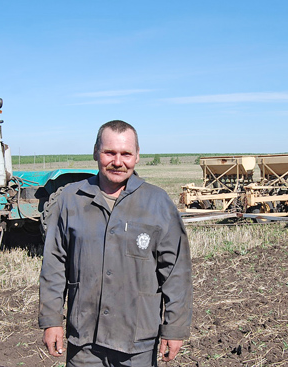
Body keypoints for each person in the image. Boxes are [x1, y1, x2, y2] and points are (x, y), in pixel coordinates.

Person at [38, 120, 192, 366]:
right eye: (110, 152)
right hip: (84, 340)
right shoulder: (71, 200)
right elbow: (54, 265)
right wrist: (51, 320)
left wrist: (173, 328)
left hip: (138, 340)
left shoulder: (157, 202)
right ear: (96, 152)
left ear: (137, 156)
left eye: (126, 154)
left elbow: (176, 272)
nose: (118, 162)